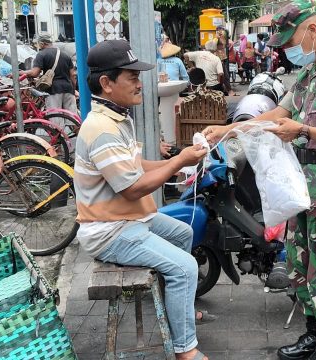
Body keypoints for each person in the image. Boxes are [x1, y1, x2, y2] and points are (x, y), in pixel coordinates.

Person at [202, 1, 316, 359]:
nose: (286, 49)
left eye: (290, 39)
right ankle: (314, 332)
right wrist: (227, 130)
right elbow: (277, 115)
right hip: (301, 186)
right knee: (301, 262)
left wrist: (306, 129)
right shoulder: (312, 73)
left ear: (312, 30)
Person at [75, 39, 214, 360]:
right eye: (132, 78)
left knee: (183, 233)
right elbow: (133, 188)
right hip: (109, 230)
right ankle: (185, 350)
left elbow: (137, 166)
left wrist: (179, 161)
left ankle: (176, 309)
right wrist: (178, 163)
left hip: (127, 218)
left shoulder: (116, 118)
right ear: (107, 84)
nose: (140, 84)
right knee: (186, 267)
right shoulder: (102, 129)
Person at [20, 34, 78, 119]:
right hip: (68, 88)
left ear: (42, 44)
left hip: (53, 90)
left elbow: (35, 73)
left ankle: (58, 132)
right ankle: (77, 132)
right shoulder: (65, 55)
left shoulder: (41, 54)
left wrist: (22, 72)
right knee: (73, 118)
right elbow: (72, 75)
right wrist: (73, 88)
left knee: (56, 119)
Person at [215, 26, 235, 96]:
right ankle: (227, 89)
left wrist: (219, 36)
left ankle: (228, 90)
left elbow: (223, 43)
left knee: (224, 74)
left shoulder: (222, 35)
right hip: (218, 56)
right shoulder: (218, 36)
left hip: (221, 56)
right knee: (222, 74)